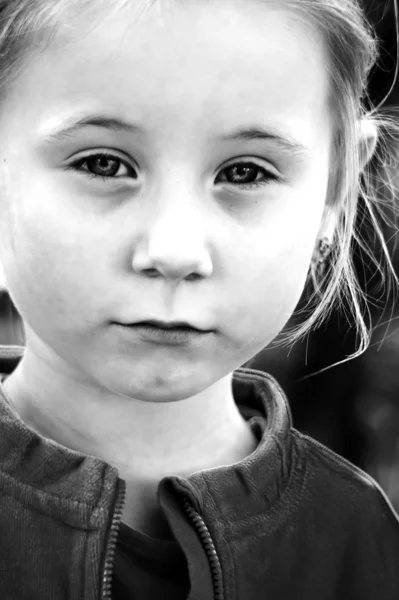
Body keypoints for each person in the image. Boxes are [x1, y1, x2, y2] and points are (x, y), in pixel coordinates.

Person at [0, 0, 398, 598]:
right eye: (103, 163)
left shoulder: (360, 540)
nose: (175, 250)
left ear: (335, 190)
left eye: (246, 173)